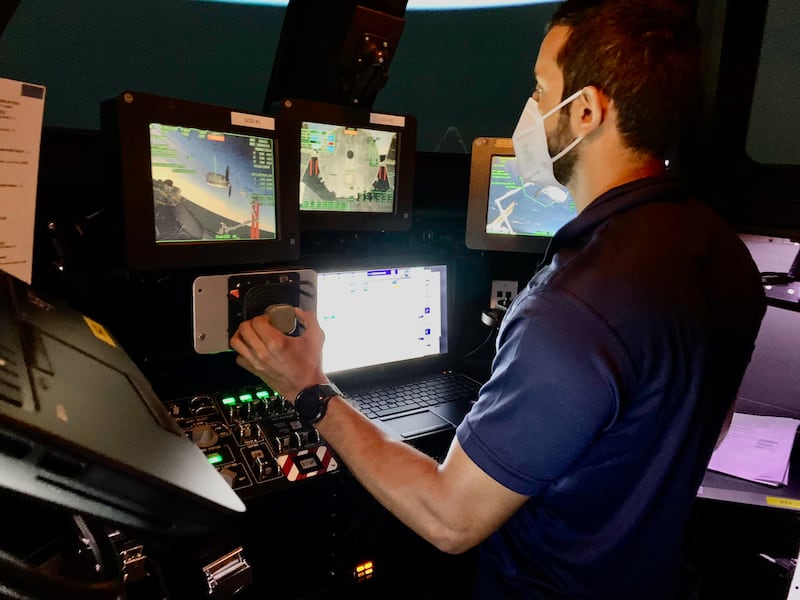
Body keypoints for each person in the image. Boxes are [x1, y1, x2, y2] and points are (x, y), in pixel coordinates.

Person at [230, 0, 767, 597]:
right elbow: (707, 430)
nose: (532, 110)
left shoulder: (574, 308)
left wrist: (309, 390)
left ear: (586, 110)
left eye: (540, 90)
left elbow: (449, 519)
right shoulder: (724, 253)